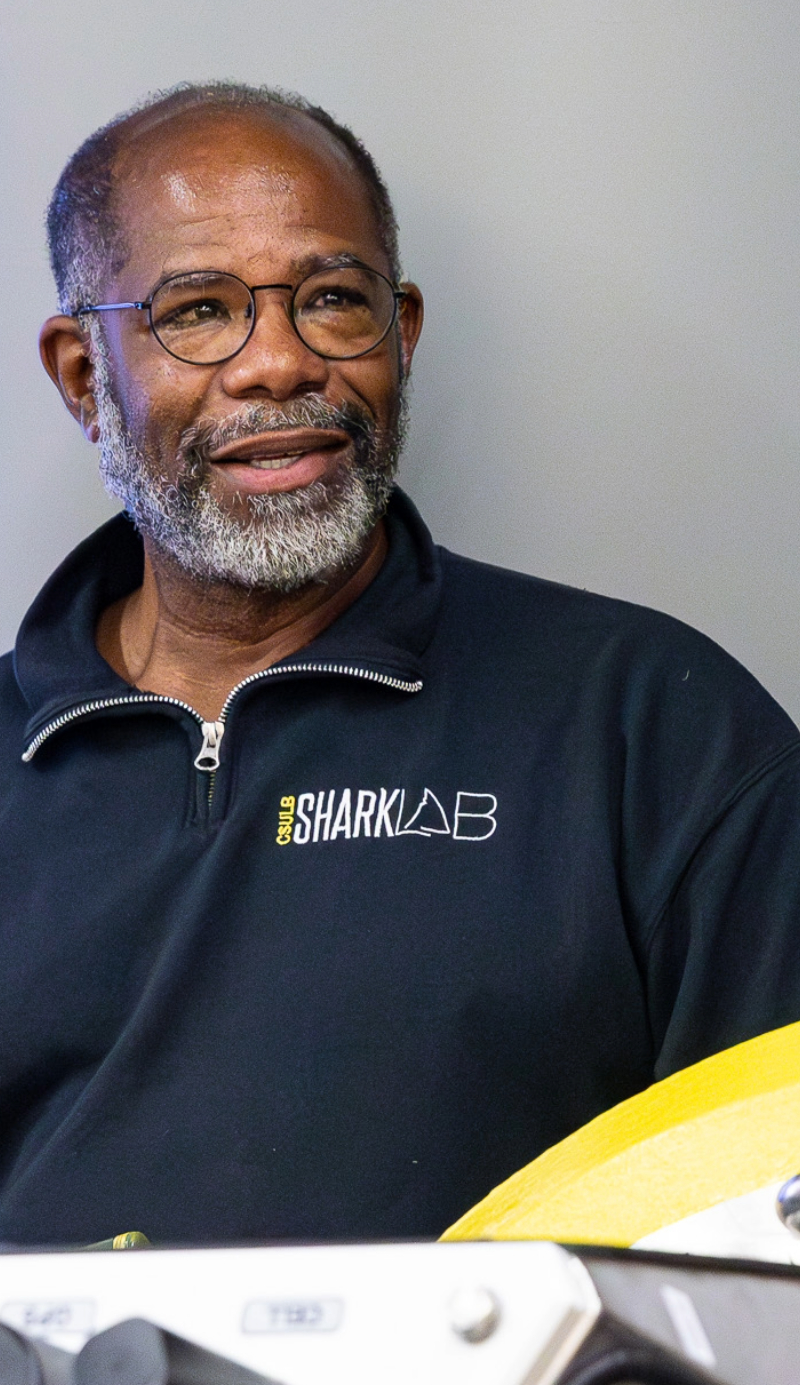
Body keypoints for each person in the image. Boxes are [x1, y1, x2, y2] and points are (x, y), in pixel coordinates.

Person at [4, 80, 800, 1248]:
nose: (276, 363)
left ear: (401, 332)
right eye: (198, 310)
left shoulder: (648, 729)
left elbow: (768, 1217)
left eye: (331, 300)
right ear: (83, 375)